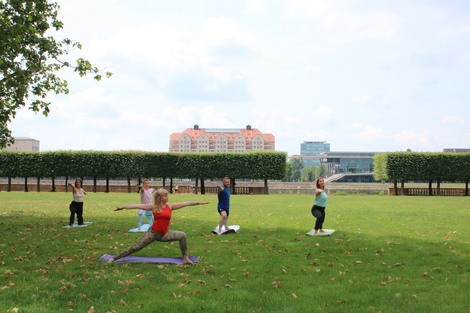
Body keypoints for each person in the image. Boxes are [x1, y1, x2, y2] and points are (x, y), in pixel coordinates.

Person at [107, 188, 209, 264]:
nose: (167, 197)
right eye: (165, 196)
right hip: (153, 233)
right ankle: (115, 258)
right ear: (160, 197)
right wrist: (123, 207)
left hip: (165, 234)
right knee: (135, 248)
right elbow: (137, 205)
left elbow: (186, 203)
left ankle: (185, 258)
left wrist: (199, 202)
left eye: (167, 195)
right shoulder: (153, 206)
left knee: (182, 235)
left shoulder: (170, 206)